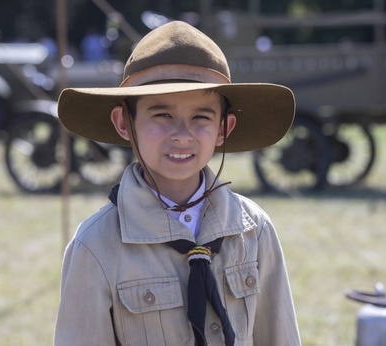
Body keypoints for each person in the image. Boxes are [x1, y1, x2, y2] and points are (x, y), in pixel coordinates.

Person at [54, 21, 301, 346]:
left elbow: (279, 337)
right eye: (162, 115)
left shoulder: (253, 229)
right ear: (124, 123)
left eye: (201, 117)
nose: (182, 135)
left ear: (223, 129)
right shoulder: (96, 246)